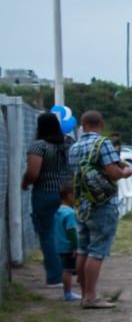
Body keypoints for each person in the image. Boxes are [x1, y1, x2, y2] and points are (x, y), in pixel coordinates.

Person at [66, 110, 131, 309]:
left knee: (83, 249)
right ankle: (91, 297)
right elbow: (113, 172)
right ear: (101, 124)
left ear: (82, 125)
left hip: (82, 204)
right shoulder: (103, 144)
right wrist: (125, 172)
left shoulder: (74, 147)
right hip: (102, 203)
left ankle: (85, 292)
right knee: (97, 251)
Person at [21, 110, 72, 288]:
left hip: (45, 192)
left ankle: (55, 277)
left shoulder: (39, 146)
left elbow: (33, 173)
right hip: (68, 193)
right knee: (70, 231)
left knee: (47, 234)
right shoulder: (68, 143)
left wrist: (25, 182)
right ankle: (74, 271)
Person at [52, 183, 80, 301]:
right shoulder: (70, 213)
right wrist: (75, 247)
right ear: (69, 196)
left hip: (59, 245)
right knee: (68, 270)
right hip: (69, 246)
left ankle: (68, 292)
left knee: (66, 268)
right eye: (76, 195)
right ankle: (68, 294)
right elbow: (72, 231)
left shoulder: (58, 211)